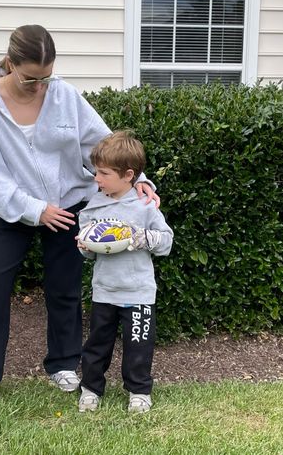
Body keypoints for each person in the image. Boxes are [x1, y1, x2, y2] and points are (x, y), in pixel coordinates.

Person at [0, 24, 160, 413]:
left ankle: (64, 363)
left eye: (46, 77)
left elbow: (102, 147)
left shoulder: (65, 96)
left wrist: (140, 181)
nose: (39, 87)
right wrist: (34, 208)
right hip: (13, 210)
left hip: (68, 204)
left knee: (65, 287)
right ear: (10, 63)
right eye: (31, 78)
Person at [77, 131, 173, 414]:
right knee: (97, 345)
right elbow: (88, 251)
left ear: (128, 174)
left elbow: (166, 241)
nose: (97, 178)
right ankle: (91, 388)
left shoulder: (145, 206)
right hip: (105, 291)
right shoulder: (93, 208)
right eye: (96, 172)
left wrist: (140, 237)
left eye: (104, 173)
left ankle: (139, 391)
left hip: (139, 293)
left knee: (139, 346)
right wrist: (85, 246)